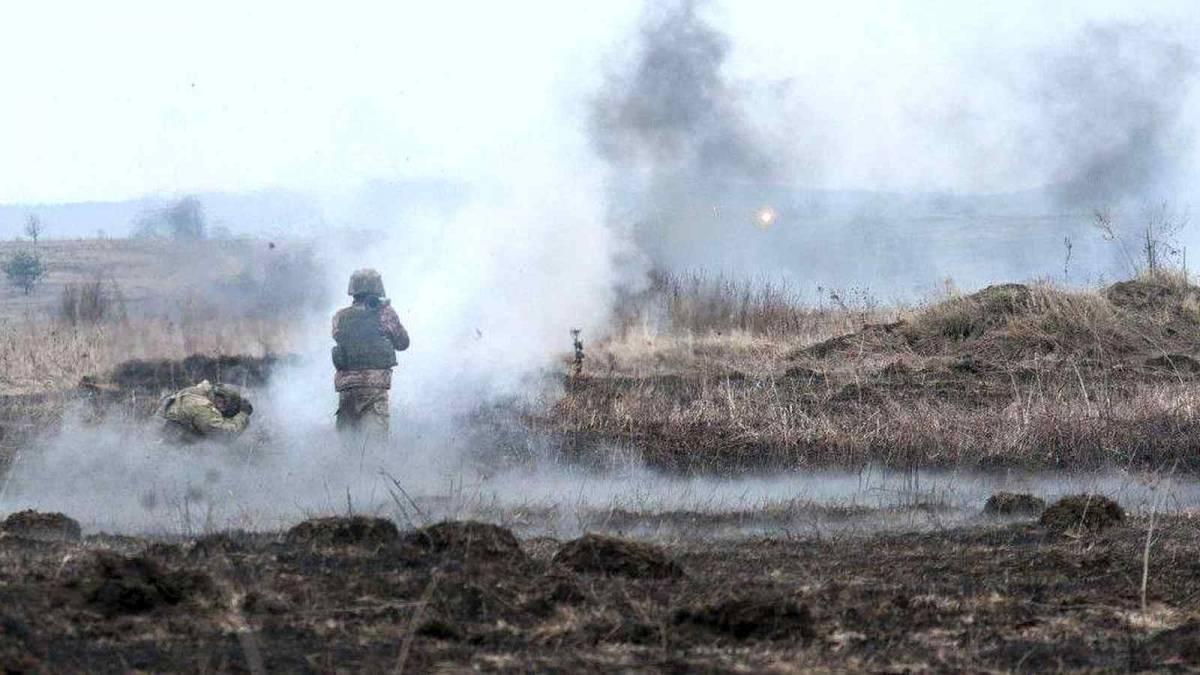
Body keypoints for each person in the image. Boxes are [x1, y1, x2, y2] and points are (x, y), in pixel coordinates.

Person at [332, 269, 409, 439]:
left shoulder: (340, 317)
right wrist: (385, 310)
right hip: (374, 388)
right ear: (378, 288)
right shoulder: (385, 314)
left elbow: (339, 337)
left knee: (347, 443)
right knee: (375, 446)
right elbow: (403, 343)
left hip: (347, 388)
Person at [156, 380, 253, 443]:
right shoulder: (201, 405)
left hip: (166, 443)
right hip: (170, 450)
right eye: (221, 402)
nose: (221, 408)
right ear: (217, 396)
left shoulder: (196, 393)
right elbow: (224, 435)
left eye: (225, 405)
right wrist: (242, 414)